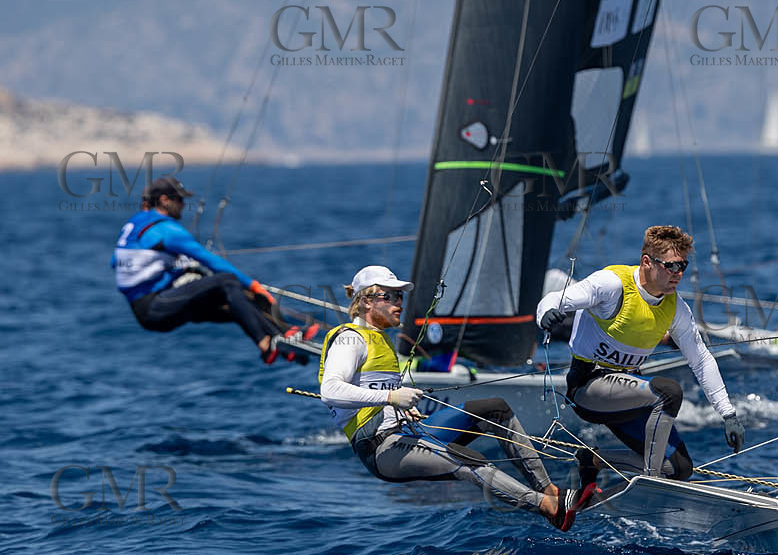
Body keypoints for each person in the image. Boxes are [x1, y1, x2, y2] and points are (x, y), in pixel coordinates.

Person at [320, 265, 594, 531]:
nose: (399, 302)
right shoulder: (350, 339)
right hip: (381, 448)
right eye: (390, 295)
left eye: (401, 295)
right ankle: (549, 507)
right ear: (367, 302)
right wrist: (391, 397)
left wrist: (398, 409)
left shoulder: (380, 339)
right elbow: (330, 390)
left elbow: (373, 393)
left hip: (405, 432)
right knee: (467, 459)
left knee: (495, 409)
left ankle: (551, 491)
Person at [536, 225, 745, 487]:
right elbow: (555, 298)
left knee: (679, 468)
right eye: (671, 266)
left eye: (683, 266)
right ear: (647, 262)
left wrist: (728, 414)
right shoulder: (611, 285)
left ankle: (592, 460)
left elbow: (701, 359)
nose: (678, 274)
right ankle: (650, 481)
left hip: (630, 396)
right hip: (588, 387)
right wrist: (546, 313)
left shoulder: (676, 308)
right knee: (669, 392)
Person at [112, 176, 308, 364]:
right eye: (179, 199)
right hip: (154, 307)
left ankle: (288, 342)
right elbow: (211, 261)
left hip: (149, 308)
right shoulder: (167, 230)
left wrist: (173, 270)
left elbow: (118, 262)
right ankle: (268, 342)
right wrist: (253, 285)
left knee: (236, 303)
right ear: (164, 200)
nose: (182, 204)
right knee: (227, 281)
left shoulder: (135, 223)